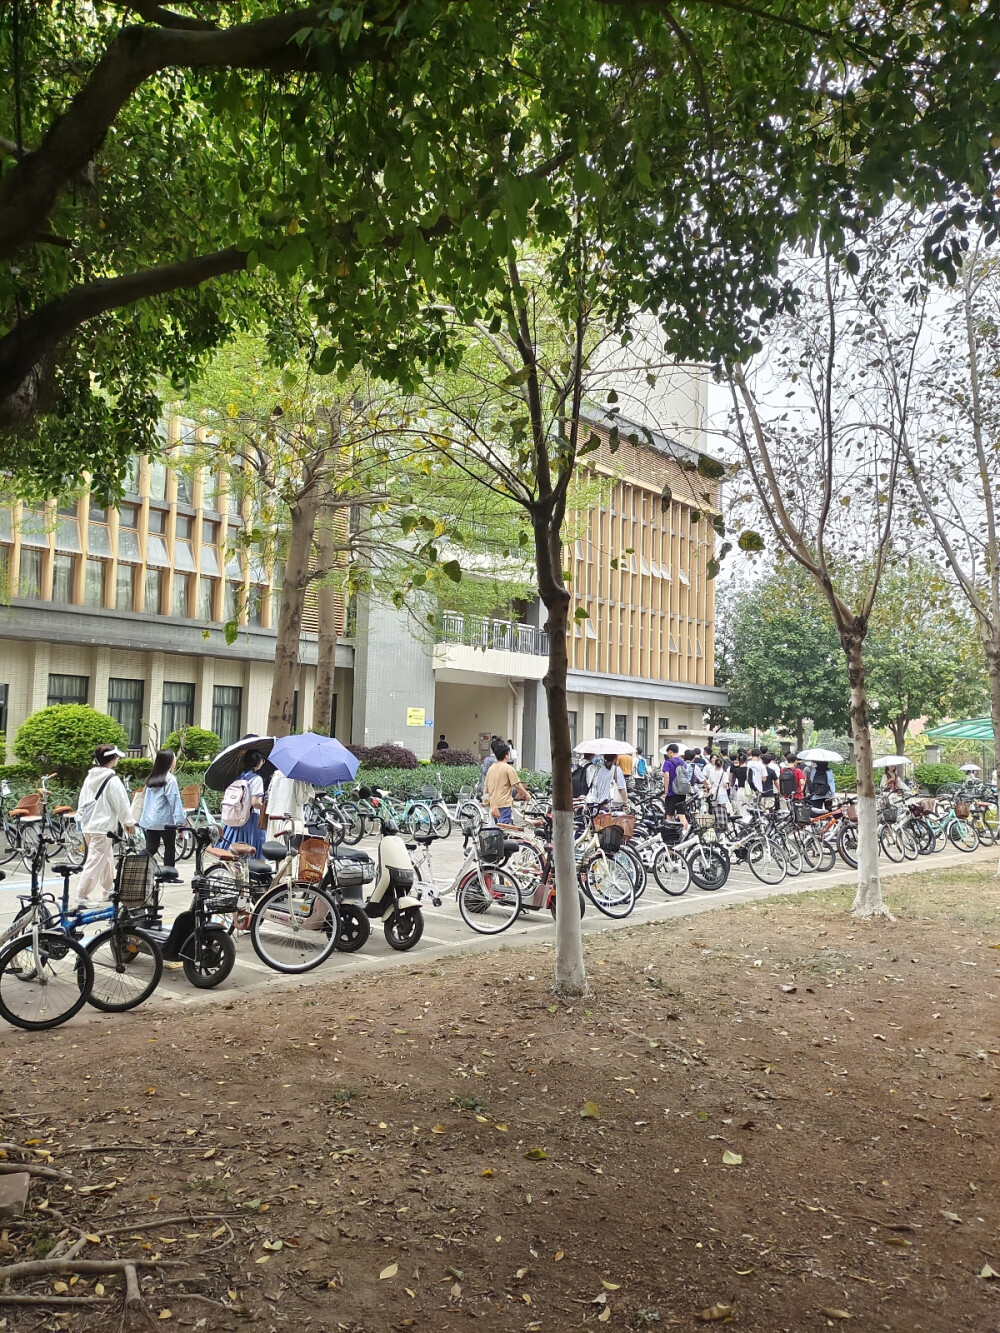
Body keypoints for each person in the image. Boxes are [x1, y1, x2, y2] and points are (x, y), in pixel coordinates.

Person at [76, 744, 136, 903]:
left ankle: (109, 890)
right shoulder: (112, 780)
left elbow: (82, 800)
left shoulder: (90, 777)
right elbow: (122, 803)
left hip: (88, 825)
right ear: (112, 759)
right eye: (116, 757)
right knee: (96, 861)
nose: (117, 760)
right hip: (102, 828)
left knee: (106, 859)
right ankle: (81, 895)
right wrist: (129, 822)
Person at [139, 748, 185, 870]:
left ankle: (134, 863)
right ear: (169, 761)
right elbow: (175, 801)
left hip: (150, 820)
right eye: (174, 758)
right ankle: (169, 873)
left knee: (151, 848)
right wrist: (181, 822)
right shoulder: (170, 779)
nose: (175, 760)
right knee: (169, 847)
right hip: (165, 821)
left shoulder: (151, 778)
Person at [218, 748, 267, 853]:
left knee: (232, 851)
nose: (263, 762)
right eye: (262, 760)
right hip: (251, 819)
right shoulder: (256, 779)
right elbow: (255, 802)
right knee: (254, 851)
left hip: (235, 817)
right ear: (257, 762)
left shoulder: (239, 777)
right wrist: (265, 807)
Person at [483, 744, 529, 825]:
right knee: (504, 828)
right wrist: (527, 794)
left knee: (496, 826)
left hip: (493, 804)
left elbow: (486, 787)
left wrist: (486, 800)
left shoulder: (491, 768)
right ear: (506, 755)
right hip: (504, 803)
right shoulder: (508, 768)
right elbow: (517, 785)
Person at [662, 743, 690, 827]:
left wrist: (666, 791)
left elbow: (667, 777)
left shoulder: (668, 762)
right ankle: (685, 833)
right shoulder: (683, 763)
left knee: (669, 814)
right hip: (682, 791)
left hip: (672, 792)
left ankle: (670, 834)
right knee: (681, 814)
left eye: (668, 753)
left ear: (670, 752)